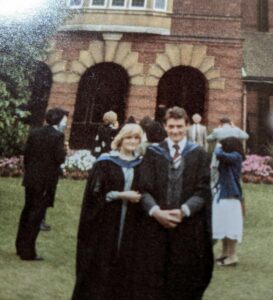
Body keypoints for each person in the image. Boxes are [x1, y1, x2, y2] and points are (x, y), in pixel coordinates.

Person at [137, 106, 213, 300]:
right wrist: (155, 211)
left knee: (184, 277)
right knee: (153, 276)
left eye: (180, 126)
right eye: (171, 126)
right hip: (155, 226)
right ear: (165, 126)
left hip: (186, 225)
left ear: (187, 125)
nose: (175, 131)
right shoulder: (153, 153)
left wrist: (184, 211)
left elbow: (203, 190)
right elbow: (143, 188)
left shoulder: (199, 154)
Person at [72, 123, 143, 300]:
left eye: (136, 138)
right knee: (101, 264)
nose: (132, 141)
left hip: (130, 224)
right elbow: (94, 196)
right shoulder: (105, 162)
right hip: (105, 222)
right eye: (129, 137)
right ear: (120, 139)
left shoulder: (141, 164)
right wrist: (120, 195)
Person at [15, 107, 67, 261]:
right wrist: (64, 151)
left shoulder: (35, 132)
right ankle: (28, 252)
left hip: (31, 178)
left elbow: (27, 155)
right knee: (36, 216)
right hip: (45, 181)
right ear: (59, 120)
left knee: (27, 211)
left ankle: (20, 246)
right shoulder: (58, 136)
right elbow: (59, 158)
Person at [212, 137, 245, 266]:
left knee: (231, 227)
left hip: (231, 196)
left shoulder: (236, 156)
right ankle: (225, 253)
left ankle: (232, 256)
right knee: (224, 227)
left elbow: (219, 154)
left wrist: (218, 145)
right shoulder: (230, 157)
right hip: (223, 195)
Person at [207, 117, 249, 190]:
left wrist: (218, 130)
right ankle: (236, 188)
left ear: (221, 123)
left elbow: (208, 139)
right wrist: (235, 127)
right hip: (233, 154)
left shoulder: (217, 130)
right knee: (234, 172)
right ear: (230, 123)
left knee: (215, 171)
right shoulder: (236, 130)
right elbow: (246, 136)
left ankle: (214, 188)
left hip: (220, 154)